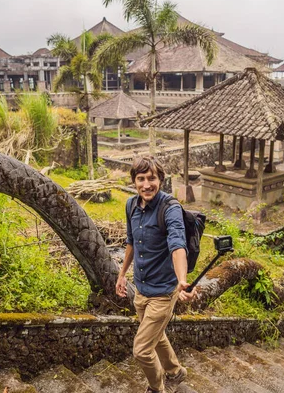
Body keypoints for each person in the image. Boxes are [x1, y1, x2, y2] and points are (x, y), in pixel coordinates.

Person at [116, 155, 196, 393]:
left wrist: (182, 280)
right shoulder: (131, 205)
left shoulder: (169, 208)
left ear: (161, 179)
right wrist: (122, 275)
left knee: (141, 350)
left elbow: (177, 245)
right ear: (134, 181)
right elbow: (131, 242)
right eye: (141, 179)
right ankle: (175, 371)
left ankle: (156, 388)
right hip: (140, 289)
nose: (146, 184)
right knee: (156, 336)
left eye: (152, 178)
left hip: (163, 292)